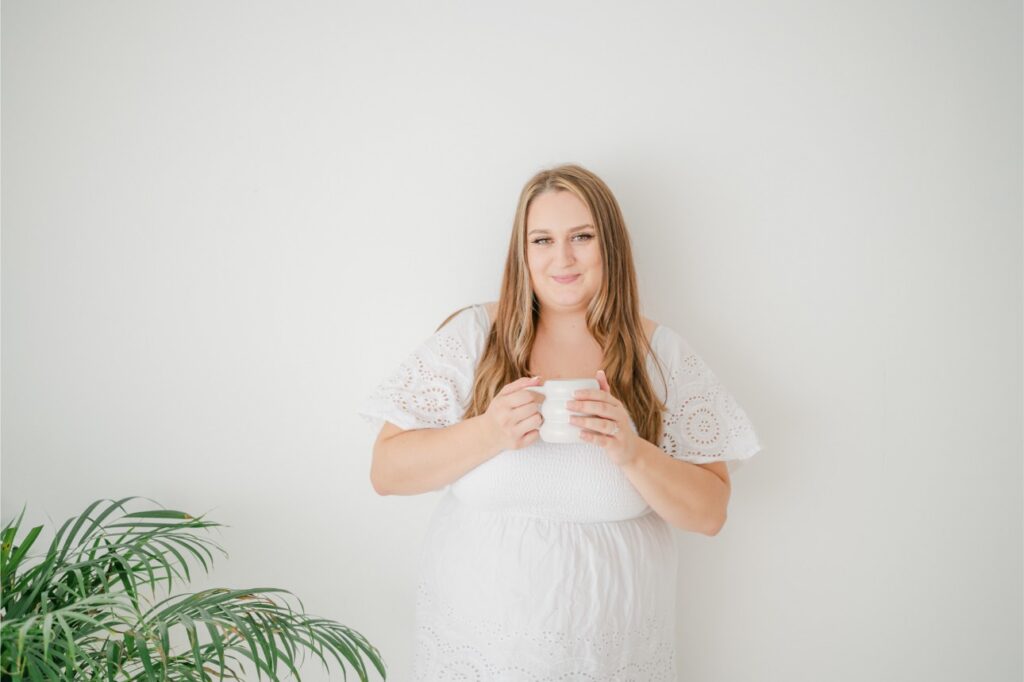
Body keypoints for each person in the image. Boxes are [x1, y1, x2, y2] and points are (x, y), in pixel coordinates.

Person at [356, 163, 763, 679]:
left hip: (607, 658)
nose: (562, 258)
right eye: (542, 240)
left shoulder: (658, 354)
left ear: (609, 245)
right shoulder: (475, 336)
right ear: (522, 253)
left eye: (582, 237)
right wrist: (489, 431)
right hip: (481, 651)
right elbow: (386, 472)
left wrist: (633, 453)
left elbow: (710, 514)